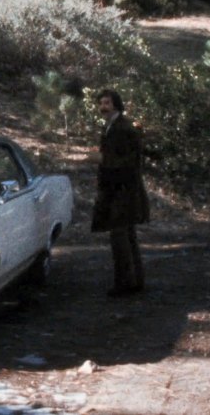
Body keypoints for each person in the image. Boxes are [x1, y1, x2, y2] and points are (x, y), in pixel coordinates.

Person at [90, 89, 150, 297]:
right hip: (117, 189)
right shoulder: (111, 126)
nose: (103, 107)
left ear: (116, 104)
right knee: (126, 235)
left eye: (107, 103)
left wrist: (101, 161)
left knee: (120, 237)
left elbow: (130, 161)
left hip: (123, 190)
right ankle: (134, 281)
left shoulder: (123, 128)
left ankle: (126, 284)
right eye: (101, 103)